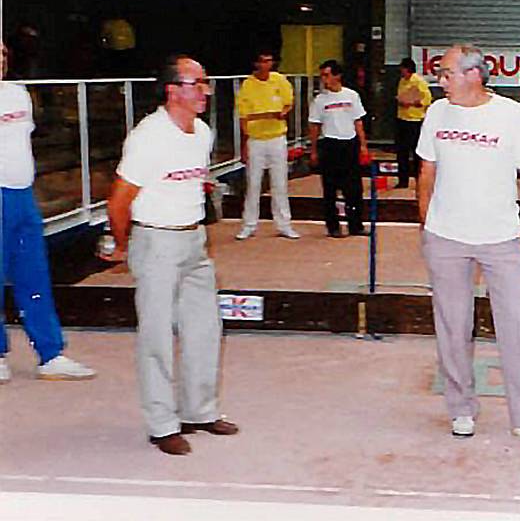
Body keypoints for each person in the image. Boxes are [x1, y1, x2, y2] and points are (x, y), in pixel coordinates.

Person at [416, 44, 520, 444]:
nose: (440, 80)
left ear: (473, 75)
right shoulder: (436, 113)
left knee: (518, 328)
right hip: (446, 238)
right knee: (453, 327)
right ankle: (461, 408)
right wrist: (426, 227)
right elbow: (426, 174)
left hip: (500, 239)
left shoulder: (511, 115)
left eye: (447, 72)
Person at [104, 54, 239, 455]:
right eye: (196, 84)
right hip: (157, 243)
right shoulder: (149, 137)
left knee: (204, 329)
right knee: (157, 337)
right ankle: (163, 424)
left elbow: (193, 182)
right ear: (172, 89)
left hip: (193, 241)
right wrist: (125, 246)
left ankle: (199, 410)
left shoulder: (201, 133)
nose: (205, 91)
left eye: (205, 83)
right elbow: (118, 202)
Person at [0, 41, 96, 384]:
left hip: (23, 196)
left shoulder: (18, 94)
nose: (1, 60)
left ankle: (50, 353)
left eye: (4, 54)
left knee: (34, 274)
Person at [235, 49, 299, 240]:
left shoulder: (279, 80)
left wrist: (283, 112)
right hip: (256, 139)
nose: (266, 65)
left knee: (280, 183)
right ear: (256, 64)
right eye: (262, 61)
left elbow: (288, 102)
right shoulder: (247, 85)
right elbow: (243, 117)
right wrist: (244, 144)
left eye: (269, 61)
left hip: (277, 137)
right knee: (253, 184)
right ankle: (249, 225)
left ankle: (284, 224)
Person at [308, 59, 370, 238]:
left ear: (337, 75)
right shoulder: (320, 100)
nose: (324, 79)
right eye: (322, 76)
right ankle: (333, 226)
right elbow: (314, 126)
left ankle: (356, 225)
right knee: (330, 188)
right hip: (330, 145)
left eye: (327, 75)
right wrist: (313, 150)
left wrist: (363, 145)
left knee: (354, 188)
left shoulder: (352, 95)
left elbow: (358, 121)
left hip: (349, 144)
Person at [395, 57, 432, 189]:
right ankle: (402, 180)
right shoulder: (402, 81)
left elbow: (427, 100)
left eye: (403, 69)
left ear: (408, 69)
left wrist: (412, 102)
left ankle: (418, 180)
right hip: (402, 118)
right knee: (401, 152)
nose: (401, 72)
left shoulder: (418, 81)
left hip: (414, 120)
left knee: (416, 153)